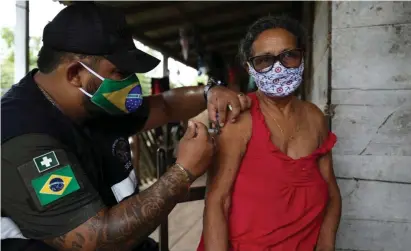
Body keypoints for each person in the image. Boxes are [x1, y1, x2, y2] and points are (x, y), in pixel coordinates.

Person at [1, 3, 251, 251]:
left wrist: (210, 92)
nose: (130, 84)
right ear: (76, 73)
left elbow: (165, 105)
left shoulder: (96, 104)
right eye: (121, 72)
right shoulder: (22, 135)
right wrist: (183, 172)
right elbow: (94, 241)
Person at [197, 16, 342, 251]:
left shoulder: (315, 117)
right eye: (264, 60)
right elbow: (217, 202)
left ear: (302, 57)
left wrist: (326, 246)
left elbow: (333, 195)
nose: (278, 67)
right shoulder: (240, 119)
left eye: (289, 55)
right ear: (250, 68)